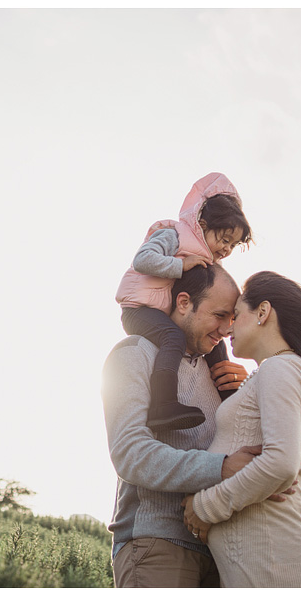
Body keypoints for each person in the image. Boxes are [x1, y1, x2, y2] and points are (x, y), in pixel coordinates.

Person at [181, 271, 301, 587]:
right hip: (267, 563)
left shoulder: (280, 368)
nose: (228, 328)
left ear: (263, 312)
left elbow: (280, 464)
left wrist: (204, 507)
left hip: (276, 563)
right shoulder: (277, 371)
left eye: (236, 316)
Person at [103, 263, 273, 588]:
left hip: (223, 550)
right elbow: (130, 454)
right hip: (157, 545)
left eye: (232, 319)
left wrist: (247, 393)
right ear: (183, 303)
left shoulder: (221, 374)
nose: (226, 329)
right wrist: (222, 467)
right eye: (219, 315)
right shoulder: (134, 353)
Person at [116, 172, 253, 433]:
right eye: (224, 240)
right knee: (173, 337)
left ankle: (231, 401)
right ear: (202, 224)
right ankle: (163, 405)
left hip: (159, 308)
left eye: (233, 245)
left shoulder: (206, 258)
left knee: (218, 348)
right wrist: (180, 265)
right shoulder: (174, 235)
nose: (227, 249)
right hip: (137, 309)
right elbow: (142, 260)